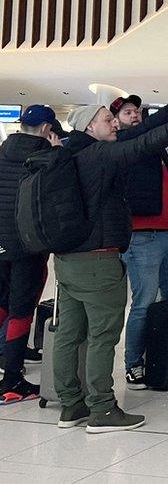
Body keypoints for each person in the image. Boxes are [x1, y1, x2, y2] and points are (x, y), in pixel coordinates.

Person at [54, 102, 168, 433]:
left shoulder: (69, 153)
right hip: (97, 259)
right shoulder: (97, 155)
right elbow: (141, 142)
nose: (114, 124)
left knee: (69, 334)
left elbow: (141, 133)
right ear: (89, 126)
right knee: (102, 335)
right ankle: (102, 409)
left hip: (67, 258)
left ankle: (71, 405)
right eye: (108, 119)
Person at [111, 94, 168, 391]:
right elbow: (152, 125)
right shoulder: (124, 145)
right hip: (142, 237)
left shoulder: (154, 151)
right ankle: (133, 363)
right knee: (144, 301)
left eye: (137, 111)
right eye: (128, 112)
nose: (135, 116)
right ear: (115, 122)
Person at [0, 106, 62, 404]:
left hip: (1, 243)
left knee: (1, 304)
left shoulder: (2, 150)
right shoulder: (46, 156)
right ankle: (11, 381)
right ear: (47, 127)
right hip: (29, 246)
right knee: (21, 309)